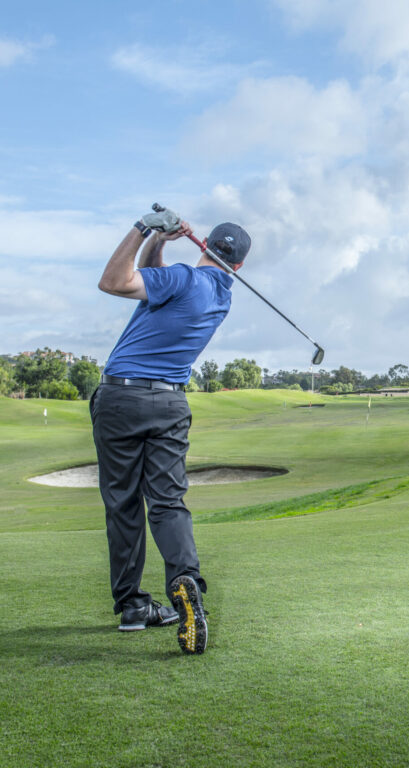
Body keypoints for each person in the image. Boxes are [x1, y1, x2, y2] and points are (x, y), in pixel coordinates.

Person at [91, 207, 250, 654]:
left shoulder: (182, 278)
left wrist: (144, 227)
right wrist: (160, 242)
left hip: (121, 398)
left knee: (123, 503)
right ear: (238, 265)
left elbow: (114, 282)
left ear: (205, 245)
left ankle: (132, 606)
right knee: (167, 501)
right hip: (170, 403)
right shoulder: (220, 295)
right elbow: (151, 279)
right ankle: (185, 578)